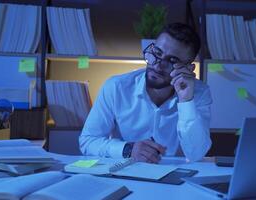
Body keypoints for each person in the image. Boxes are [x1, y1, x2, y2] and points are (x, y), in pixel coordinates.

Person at [79, 22, 212, 163]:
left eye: (172, 61)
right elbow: (87, 141)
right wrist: (128, 149)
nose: (158, 65)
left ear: (189, 69)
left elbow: (196, 154)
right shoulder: (117, 87)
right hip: (126, 171)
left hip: (175, 176)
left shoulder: (198, 93)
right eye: (157, 53)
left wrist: (186, 101)